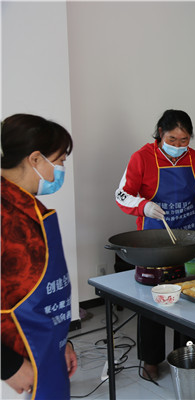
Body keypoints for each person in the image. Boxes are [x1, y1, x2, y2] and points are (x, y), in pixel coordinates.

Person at [115, 109, 195, 381]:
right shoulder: (142, 157)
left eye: (184, 140)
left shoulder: (194, 158)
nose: (178, 145)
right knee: (154, 301)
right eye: (172, 139)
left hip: (189, 239)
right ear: (160, 133)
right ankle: (151, 360)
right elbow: (122, 194)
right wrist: (143, 206)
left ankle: (187, 356)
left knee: (191, 297)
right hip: (155, 240)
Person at [1, 114, 78, 398]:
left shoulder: (29, 208)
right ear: (35, 159)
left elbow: (41, 292)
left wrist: (61, 342)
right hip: (14, 362)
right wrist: (7, 365)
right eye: (59, 161)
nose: (61, 169)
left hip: (43, 348)